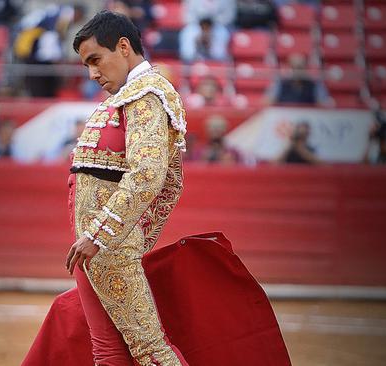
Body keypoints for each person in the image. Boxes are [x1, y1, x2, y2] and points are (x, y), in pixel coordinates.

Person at [23, 11, 290, 366]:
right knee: (108, 350)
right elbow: (169, 184)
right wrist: (116, 239)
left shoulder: (146, 94)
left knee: (150, 351)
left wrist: (109, 237)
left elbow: (151, 175)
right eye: (86, 65)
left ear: (123, 47)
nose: (92, 74)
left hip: (104, 246)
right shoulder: (128, 96)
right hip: (95, 250)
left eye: (95, 60)